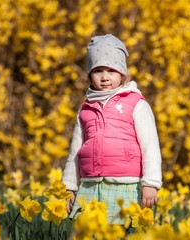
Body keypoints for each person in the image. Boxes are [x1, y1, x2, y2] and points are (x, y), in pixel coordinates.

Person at [61, 34, 162, 224]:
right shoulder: (85, 109)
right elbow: (75, 152)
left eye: (111, 70)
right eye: (98, 70)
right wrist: (69, 187)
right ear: (89, 74)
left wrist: (151, 183)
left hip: (125, 185)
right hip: (90, 186)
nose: (105, 77)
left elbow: (150, 146)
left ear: (122, 73)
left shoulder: (136, 103)